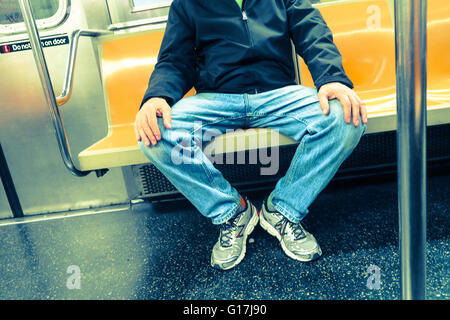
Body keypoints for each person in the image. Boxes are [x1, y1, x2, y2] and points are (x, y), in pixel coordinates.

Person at [134, 0, 367, 270]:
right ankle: (232, 213)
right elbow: (175, 59)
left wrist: (331, 78)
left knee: (345, 118)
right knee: (154, 133)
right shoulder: (187, 4)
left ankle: (283, 209)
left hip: (277, 94)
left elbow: (311, 31)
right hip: (216, 99)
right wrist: (157, 96)